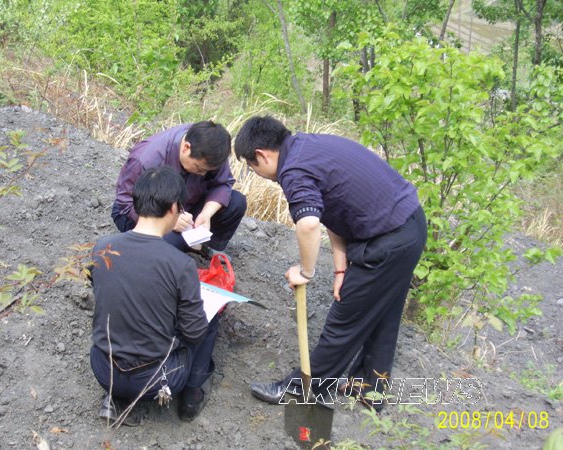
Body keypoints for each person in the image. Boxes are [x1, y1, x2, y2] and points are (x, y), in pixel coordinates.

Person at [234, 116, 427, 410]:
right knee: (383, 312)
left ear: (262, 155)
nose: (255, 173)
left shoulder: (293, 171)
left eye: (252, 166)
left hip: (389, 239)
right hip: (409, 225)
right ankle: (369, 388)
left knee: (344, 320)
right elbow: (333, 210)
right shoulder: (307, 147)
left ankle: (303, 388)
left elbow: (309, 224)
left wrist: (305, 271)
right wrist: (340, 267)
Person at [90, 166, 219, 423]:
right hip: (156, 379)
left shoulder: (102, 247)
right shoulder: (180, 264)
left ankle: (115, 397)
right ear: (173, 208)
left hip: (104, 369)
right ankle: (191, 395)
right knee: (209, 319)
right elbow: (194, 333)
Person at [111, 121, 247, 258]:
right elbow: (125, 204)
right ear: (186, 148)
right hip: (146, 214)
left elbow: (223, 184)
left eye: (208, 171)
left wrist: (206, 214)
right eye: (199, 168)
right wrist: (169, 220)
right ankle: (158, 249)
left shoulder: (212, 150)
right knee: (169, 243)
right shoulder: (146, 159)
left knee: (236, 202)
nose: (203, 174)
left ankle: (200, 245)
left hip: (185, 206)